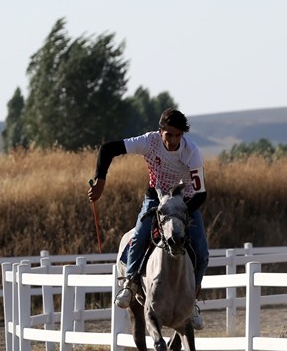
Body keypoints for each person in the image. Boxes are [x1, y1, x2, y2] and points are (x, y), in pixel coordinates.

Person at [86, 108, 209, 329]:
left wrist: (179, 214)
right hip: (155, 198)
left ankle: (193, 303)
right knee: (140, 235)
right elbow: (108, 149)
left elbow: (201, 194)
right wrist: (100, 182)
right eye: (169, 135)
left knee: (202, 252)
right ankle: (130, 283)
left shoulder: (192, 151)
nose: (173, 140)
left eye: (178, 135)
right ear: (160, 131)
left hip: (184, 203)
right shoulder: (148, 141)